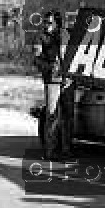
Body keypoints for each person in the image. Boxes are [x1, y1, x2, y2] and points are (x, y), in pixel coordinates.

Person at [33, 10, 74, 160]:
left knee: (68, 115)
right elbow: (36, 59)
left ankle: (67, 149)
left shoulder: (66, 35)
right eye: (45, 22)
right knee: (52, 115)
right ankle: (50, 152)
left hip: (68, 80)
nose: (46, 25)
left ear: (57, 23)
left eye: (49, 22)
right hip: (52, 81)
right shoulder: (41, 37)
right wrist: (50, 67)